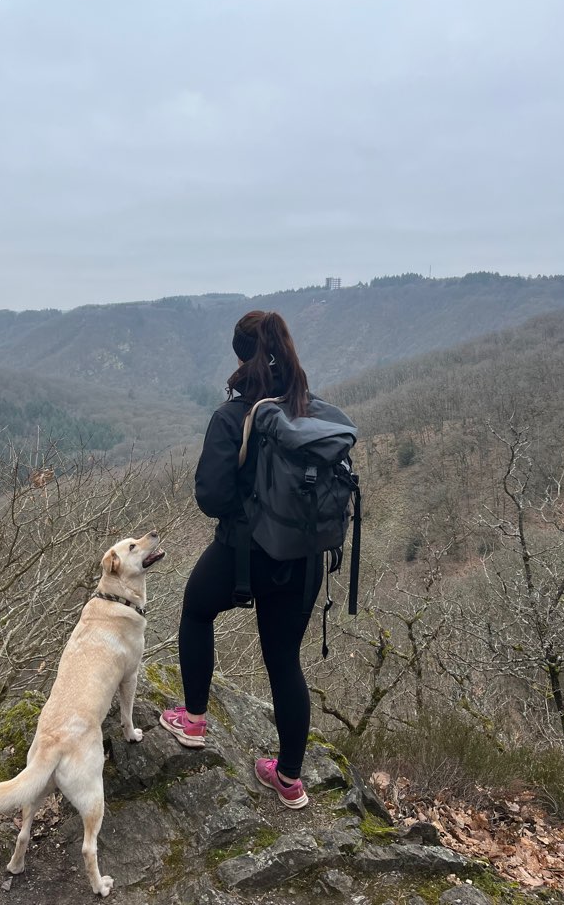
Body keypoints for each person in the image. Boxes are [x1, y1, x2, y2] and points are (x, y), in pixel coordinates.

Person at [159, 309, 323, 810]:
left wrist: (246, 513)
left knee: (196, 610)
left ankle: (193, 721)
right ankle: (289, 779)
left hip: (245, 553)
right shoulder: (309, 411)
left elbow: (211, 496)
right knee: (284, 660)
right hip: (303, 559)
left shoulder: (233, 417)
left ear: (239, 355)